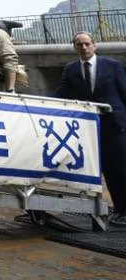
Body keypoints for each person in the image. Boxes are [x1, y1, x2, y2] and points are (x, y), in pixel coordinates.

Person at [54, 32, 126, 225]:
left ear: (95, 46)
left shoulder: (113, 66)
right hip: (90, 128)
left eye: (87, 44)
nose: (84, 48)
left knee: (121, 168)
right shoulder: (70, 70)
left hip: (115, 125)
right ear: (75, 48)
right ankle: (120, 209)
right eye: (79, 45)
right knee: (107, 172)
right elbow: (61, 94)